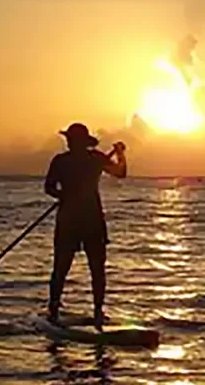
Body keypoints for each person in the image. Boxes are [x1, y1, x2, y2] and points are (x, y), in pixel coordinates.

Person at [43, 122, 127, 330]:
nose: (70, 143)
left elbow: (120, 173)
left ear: (81, 142)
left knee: (97, 267)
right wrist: (63, 195)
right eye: (69, 140)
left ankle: (98, 311)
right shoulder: (62, 161)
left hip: (91, 219)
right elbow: (49, 187)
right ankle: (53, 308)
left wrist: (120, 154)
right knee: (61, 266)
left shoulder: (95, 158)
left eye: (72, 140)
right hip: (70, 219)